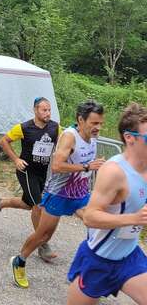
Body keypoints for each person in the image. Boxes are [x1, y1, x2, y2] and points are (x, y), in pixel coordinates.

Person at [11, 101, 106, 289]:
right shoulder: (69, 137)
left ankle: (85, 273)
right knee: (43, 236)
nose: (98, 127)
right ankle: (19, 261)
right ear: (81, 120)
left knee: (97, 225)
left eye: (100, 123)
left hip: (80, 194)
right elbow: (56, 166)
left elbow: (89, 166)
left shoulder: (92, 138)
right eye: (94, 123)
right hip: (59, 193)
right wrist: (87, 166)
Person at [66, 103, 147, 304]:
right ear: (129, 138)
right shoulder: (114, 171)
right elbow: (90, 216)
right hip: (98, 259)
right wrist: (133, 218)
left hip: (129, 257)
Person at [0, 97, 61, 263]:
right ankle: (42, 244)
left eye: (49, 110)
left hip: (42, 173)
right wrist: (16, 159)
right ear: (35, 110)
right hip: (26, 171)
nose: (48, 113)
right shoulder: (24, 127)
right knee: (37, 206)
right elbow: (4, 141)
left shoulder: (55, 128)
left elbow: (65, 141)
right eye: (44, 110)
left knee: (27, 204)